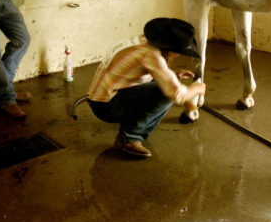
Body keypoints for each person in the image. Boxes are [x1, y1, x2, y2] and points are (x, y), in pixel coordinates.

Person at [87, 17, 207, 157]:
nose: (179, 55)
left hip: (103, 96)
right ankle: (129, 138)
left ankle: (129, 125)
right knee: (165, 93)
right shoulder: (152, 55)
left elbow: (138, 72)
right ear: (171, 48)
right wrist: (198, 88)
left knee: (163, 84)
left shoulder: (143, 41)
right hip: (106, 106)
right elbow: (175, 94)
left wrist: (173, 75)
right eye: (179, 51)